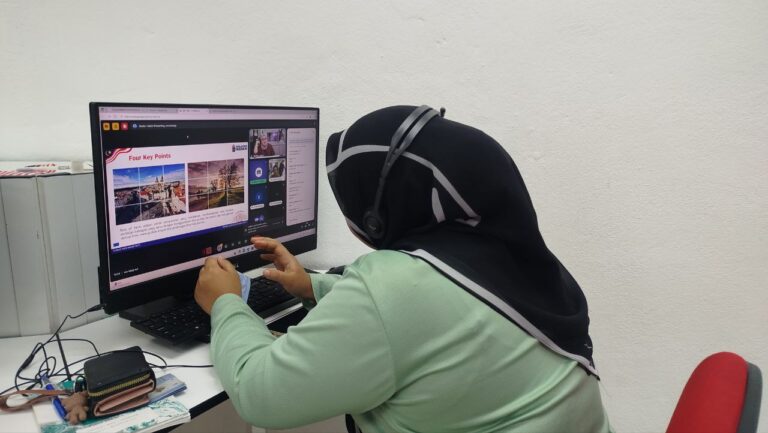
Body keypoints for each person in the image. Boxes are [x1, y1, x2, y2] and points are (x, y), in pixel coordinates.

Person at [195, 106, 611, 432]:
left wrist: (226, 303)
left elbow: (258, 393)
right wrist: (312, 287)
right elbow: (431, 316)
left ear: (375, 216)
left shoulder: (392, 286)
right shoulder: (515, 258)